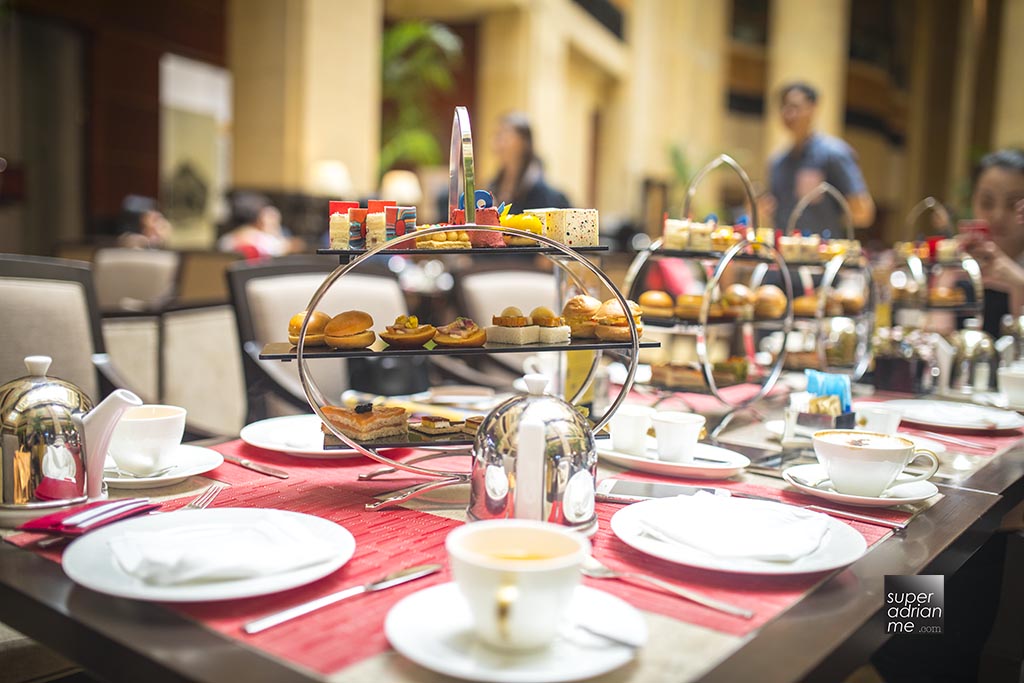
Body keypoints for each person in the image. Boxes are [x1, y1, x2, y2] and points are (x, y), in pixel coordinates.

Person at [761, 82, 875, 234]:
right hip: (783, 252)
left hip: (823, 253)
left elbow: (864, 212)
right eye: (784, 107)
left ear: (813, 108)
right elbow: (771, 211)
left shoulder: (834, 154)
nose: (789, 113)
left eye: (795, 107)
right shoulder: (777, 162)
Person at [959, 148, 1024, 336]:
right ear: (973, 202)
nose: (998, 216)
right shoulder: (957, 262)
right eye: (987, 203)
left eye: (1013, 204)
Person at [487, 112, 570, 212]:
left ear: (523, 142)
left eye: (504, 134)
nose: (497, 142)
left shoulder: (547, 195)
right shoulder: (492, 186)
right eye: (496, 135)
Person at [218, 195, 305, 260]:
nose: (269, 222)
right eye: (267, 218)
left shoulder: (279, 238)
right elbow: (225, 243)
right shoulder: (249, 234)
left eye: (273, 220)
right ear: (258, 220)